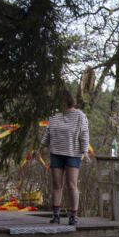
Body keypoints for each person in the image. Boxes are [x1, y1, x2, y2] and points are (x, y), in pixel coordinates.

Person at [40, 88, 90, 225]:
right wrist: (40, 146)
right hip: (56, 153)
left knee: (71, 184)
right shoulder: (54, 115)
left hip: (73, 154)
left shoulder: (79, 115)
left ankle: (74, 215)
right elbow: (48, 133)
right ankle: (55, 215)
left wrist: (85, 152)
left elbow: (84, 134)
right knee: (57, 184)